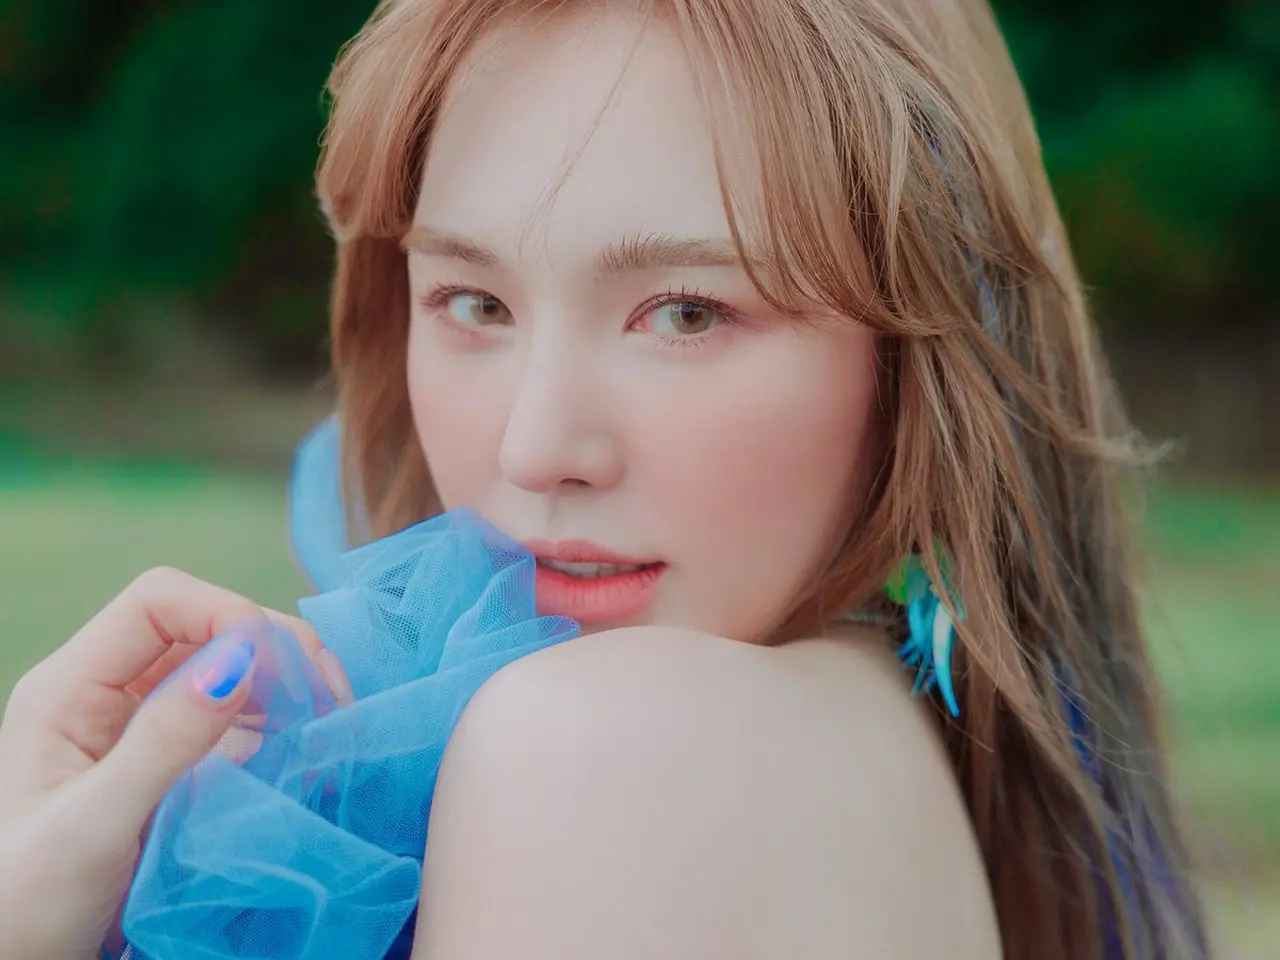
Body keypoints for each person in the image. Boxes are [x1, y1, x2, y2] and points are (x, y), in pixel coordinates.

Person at [0, 0, 1211, 957]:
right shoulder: (893, 745)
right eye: (474, 302)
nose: (534, 449)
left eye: (685, 312)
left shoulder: (599, 747)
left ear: (911, 357)